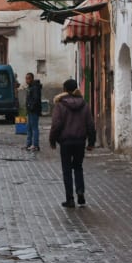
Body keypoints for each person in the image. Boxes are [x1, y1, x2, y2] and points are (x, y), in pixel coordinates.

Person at [49, 78, 96, 208]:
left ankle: (70, 199)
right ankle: (80, 191)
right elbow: (90, 125)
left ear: (64, 90)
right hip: (80, 141)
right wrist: (91, 141)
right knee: (78, 167)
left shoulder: (60, 105)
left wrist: (52, 140)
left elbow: (56, 125)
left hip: (65, 142)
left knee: (67, 170)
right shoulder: (84, 104)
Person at [23, 72, 43, 151]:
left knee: (34, 128)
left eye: (28, 78)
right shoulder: (30, 87)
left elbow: (36, 99)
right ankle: (28, 144)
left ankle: (35, 145)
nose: (26, 80)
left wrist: (31, 107)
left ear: (32, 79)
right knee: (29, 127)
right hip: (30, 111)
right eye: (26, 78)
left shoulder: (35, 87)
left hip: (34, 111)